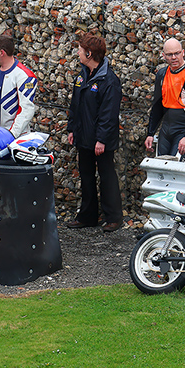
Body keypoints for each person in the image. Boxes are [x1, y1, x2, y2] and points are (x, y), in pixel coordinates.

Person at [66, 33, 123, 233]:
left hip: (101, 141)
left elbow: (109, 114)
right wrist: (72, 128)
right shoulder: (82, 75)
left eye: (80, 50)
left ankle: (114, 217)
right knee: (86, 176)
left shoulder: (109, 80)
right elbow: (76, 105)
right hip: (83, 136)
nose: (78, 53)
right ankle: (87, 216)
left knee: (107, 176)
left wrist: (101, 139)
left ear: (89, 54)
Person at [144, 38, 185, 162]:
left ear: (183, 52)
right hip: (166, 129)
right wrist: (150, 133)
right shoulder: (162, 74)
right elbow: (157, 106)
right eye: (170, 55)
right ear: (163, 56)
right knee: (160, 168)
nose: (174, 57)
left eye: (177, 53)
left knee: (175, 170)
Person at [0, 35, 37, 139]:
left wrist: (10, 135)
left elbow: (26, 110)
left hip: (15, 137)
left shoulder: (25, 76)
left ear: (1, 53)